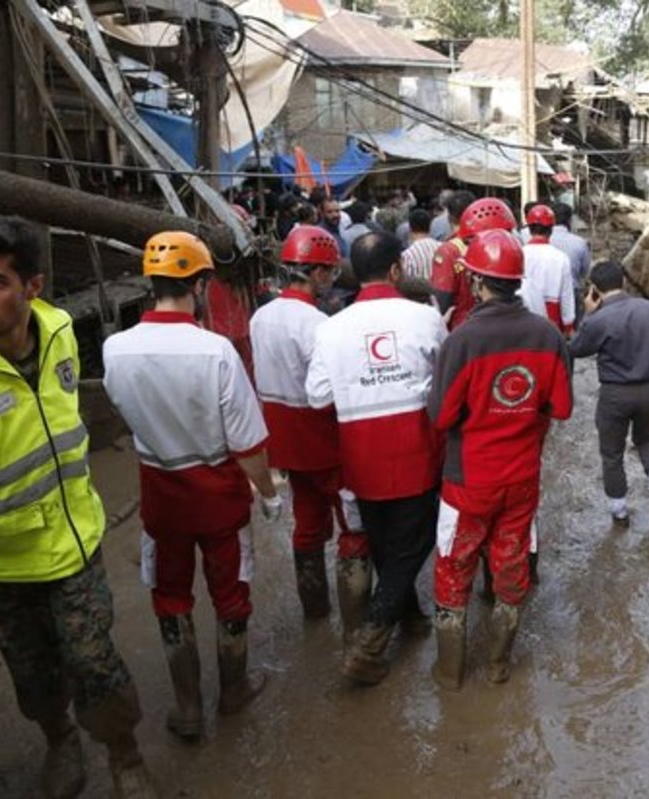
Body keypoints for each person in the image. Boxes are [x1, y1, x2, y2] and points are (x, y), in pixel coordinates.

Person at [0, 216, 155, 798]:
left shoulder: (61, 330)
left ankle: (124, 753)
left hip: (75, 546)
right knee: (33, 673)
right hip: (2, 570)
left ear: (33, 287)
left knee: (95, 659)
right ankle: (60, 737)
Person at [101, 232, 282, 745]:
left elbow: (125, 414)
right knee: (230, 593)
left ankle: (187, 708)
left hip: (161, 495)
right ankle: (234, 690)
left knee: (169, 596)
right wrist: (268, 494)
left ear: (151, 282)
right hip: (219, 496)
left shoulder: (116, 349)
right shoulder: (215, 351)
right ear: (200, 285)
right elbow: (247, 442)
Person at [428, 230, 573, 690]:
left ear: (474, 281)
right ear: (517, 281)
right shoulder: (548, 335)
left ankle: (450, 674)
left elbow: (441, 416)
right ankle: (498, 665)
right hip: (522, 477)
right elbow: (564, 408)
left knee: (454, 567)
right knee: (510, 568)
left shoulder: (462, 340)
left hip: (467, 479)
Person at [306, 232, 447, 685]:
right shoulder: (425, 318)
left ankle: (412, 617)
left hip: (359, 454)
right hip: (415, 451)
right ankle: (371, 639)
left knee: (386, 541)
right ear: (396, 271)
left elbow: (316, 397)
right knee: (416, 538)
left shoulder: (329, 327)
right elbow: (445, 382)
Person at [249, 227, 371, 638]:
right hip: (320, 435)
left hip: (282, 439)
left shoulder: (259, 317)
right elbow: (329, 389)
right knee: (351, 523)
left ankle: (314, 612)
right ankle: (356, 623)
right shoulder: (318, 324)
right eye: (330, 273)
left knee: (307, 521)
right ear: (318, 274)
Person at [569, 261, 649, 526]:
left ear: (594, 289)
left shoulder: (598, 319)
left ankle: (619, 511)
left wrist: (587, 315)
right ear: (624, 282)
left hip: (615, 393)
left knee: (612, 453)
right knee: (645, 439)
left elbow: (576, 349)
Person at [520, 204, 576, 334]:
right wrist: (568, 325)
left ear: (529, 229)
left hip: (522, 314)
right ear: (551, 229)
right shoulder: (561, 258)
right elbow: (566, 295)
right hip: (551, 318)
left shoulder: (519, 254)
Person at [427, 190, 480, 329]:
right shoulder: (487, 243)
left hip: (459, 327)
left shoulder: (448, 251)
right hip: (486, 322)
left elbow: (442, 297)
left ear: (449, 217)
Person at [550, 203, 592, 323]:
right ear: (569, 220)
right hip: (573, 294)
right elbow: (585, 272)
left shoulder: (542, 242)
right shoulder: (579, 242)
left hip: (546, 294)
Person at [401, 208, 441, 281]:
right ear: (430, 226)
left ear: (410, 228)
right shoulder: (443, 248)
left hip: (419, 292)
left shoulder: (407, 255)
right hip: (441, 291)